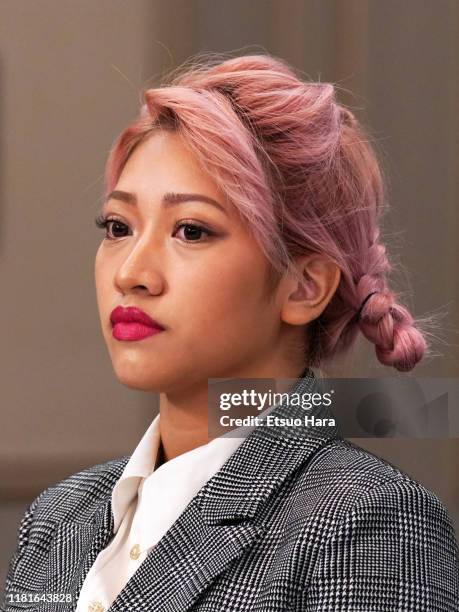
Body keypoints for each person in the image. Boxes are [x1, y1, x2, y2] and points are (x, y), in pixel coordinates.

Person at [2, 52, 458, 612]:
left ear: (304, 287)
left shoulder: (367, 523)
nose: (130, 273)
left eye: (191, 231)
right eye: (118, 227)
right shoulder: (57, 518)